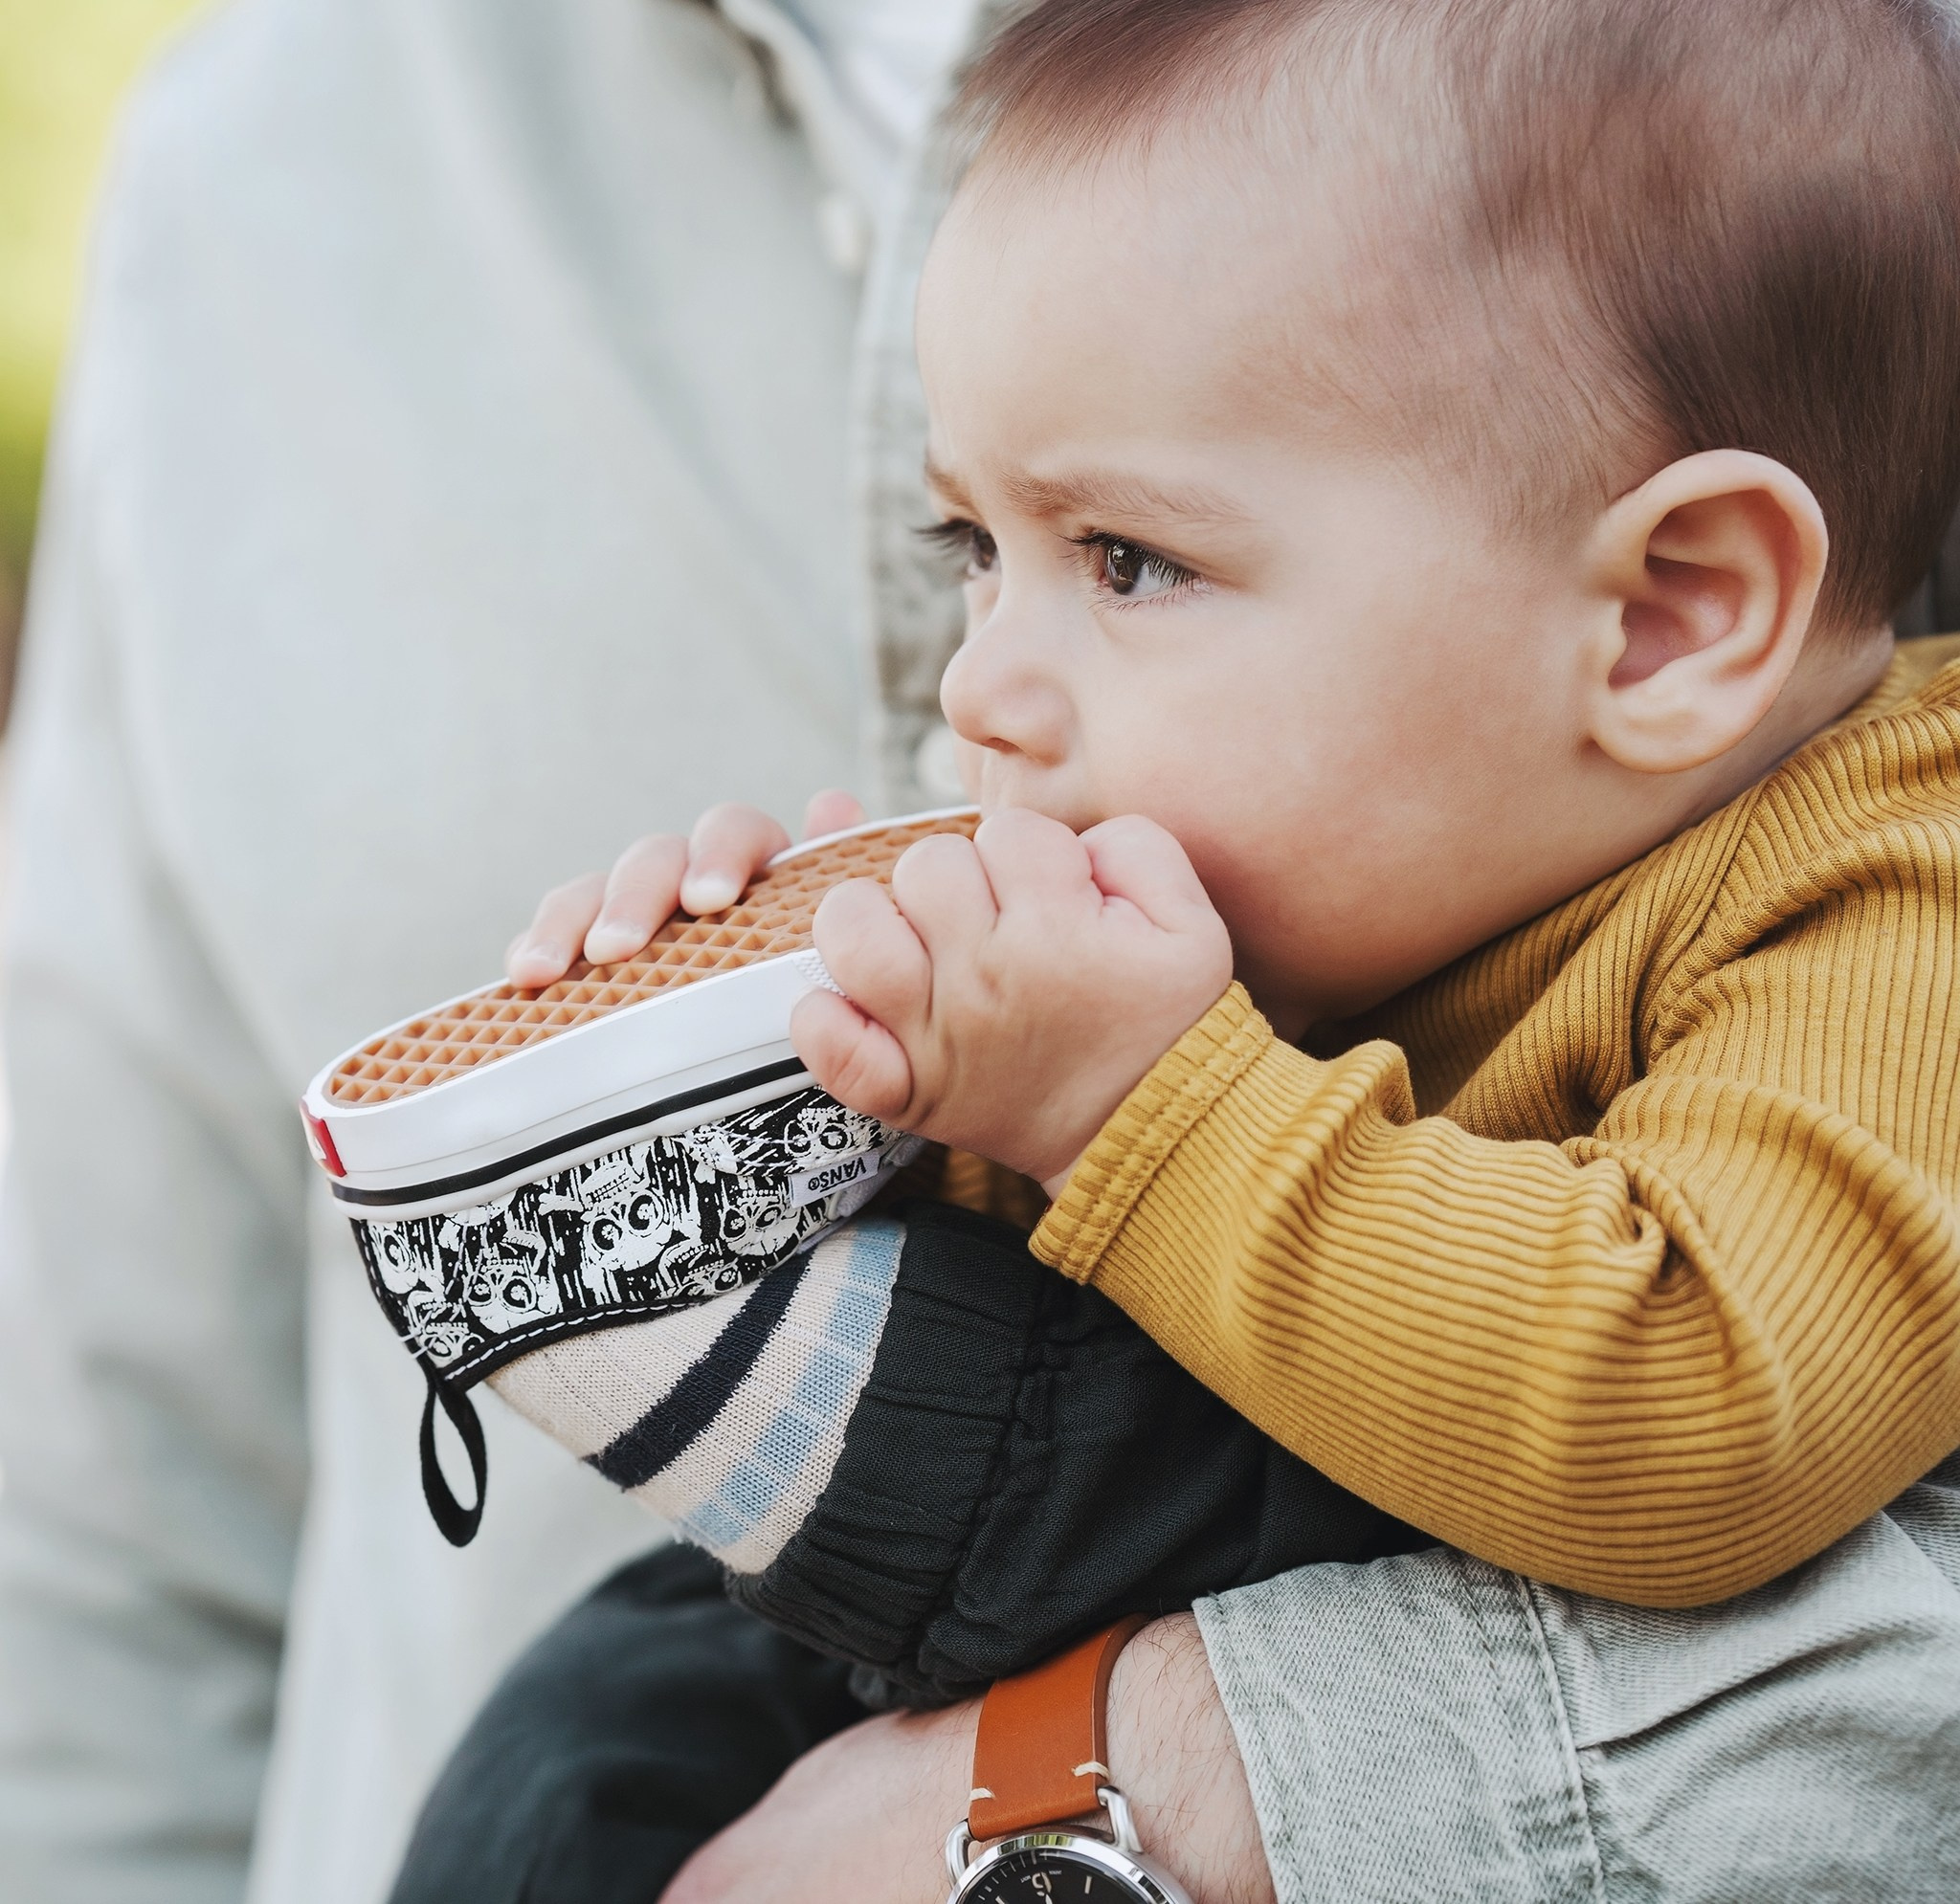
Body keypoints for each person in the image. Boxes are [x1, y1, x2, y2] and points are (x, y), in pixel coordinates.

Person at [395, 0, 1960, 1896]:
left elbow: (1693, 1406)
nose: (979, 686)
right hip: (1084, 1576)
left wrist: (1131, 1096)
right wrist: (822, 1064)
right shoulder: (1352, 869)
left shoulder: (1896, 889)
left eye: (1127, 559)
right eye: (974, 547)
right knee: (584, 1745)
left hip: (1479, 1686)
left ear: (1668, 618)